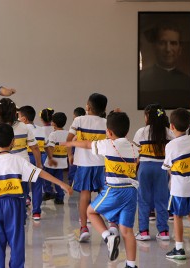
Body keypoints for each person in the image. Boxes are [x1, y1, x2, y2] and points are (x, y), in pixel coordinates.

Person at [0, 123, 72, 268]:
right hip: (14, 205)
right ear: (13, 142)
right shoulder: (19, 161)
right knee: (16, 242)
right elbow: (40, 172)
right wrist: (61, 183)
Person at [62, 111, 139, 268]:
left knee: (91, 212)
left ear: (109, 132)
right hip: (132, 191)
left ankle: (107, 236)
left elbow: (87, 144)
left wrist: (70, 144)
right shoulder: (134, 147)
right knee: (127, 230)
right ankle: (131, 265)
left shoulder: (108, 144)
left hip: (115, 189)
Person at [0, 99, 43, 219]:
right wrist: (38, 163)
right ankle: (27, 215)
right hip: (20, 168)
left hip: (0, 169)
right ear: (15, 112)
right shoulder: (23, 127)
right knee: (21, 193)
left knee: (2, 194)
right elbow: (35, 147)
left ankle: (5, 217)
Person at [162, 108, 190, 260]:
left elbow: (167, 168)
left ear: (171, 126)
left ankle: (179, 249)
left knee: (177, 216)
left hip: (178, 188)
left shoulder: (171, 146)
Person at [66, 93, 107, 242]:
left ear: (88, 107)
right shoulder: (106, 122)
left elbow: (69, 140)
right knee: (106, 194)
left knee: (85, 195)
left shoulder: (79, 120)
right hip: (102, 164)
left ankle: (84, 228)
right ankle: (112, 224)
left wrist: (70, 155)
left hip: (84, 165)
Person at [133, 104, 173, 241]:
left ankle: (143, 232)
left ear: (148, 117)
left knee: (143, 199)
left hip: (144, 168)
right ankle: (163, 232)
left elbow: (135, 152)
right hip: (162, 168)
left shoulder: (141, 132)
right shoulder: (169, 132)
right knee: (161, 199)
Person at [139, 22, 190, 109]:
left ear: (180, 49)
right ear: (154, 47)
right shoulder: (141, 78)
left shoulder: (187, 81)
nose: (168, 49)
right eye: (162, 43)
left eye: (173, 43)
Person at [17, 105, 46, 219]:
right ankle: (36, 212)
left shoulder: (21, 129)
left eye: (18, 116)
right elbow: (46, 145)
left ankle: (24, 205)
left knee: (23, 184)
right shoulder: (41, 129)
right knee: (37, 185)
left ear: (24, 119)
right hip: (39, 157)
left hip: (26, 158)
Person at [44, 112, 69, 205]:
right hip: (61, 162)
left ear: (53, 123)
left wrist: (50, 158)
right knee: (59, 181)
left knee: (46, 178)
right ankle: (60, 197)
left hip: (52, 162)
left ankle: (49, 192)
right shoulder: (67, 134)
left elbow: (51, 147)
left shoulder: (53, 134)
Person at [68, 107, 86, 185]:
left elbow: (70, 139)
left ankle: (72, 183)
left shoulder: (74, 125)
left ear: (74, 116)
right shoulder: (86, 124)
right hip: (84, 149)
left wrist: (70, 154)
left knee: (73, 168)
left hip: (75, 148)